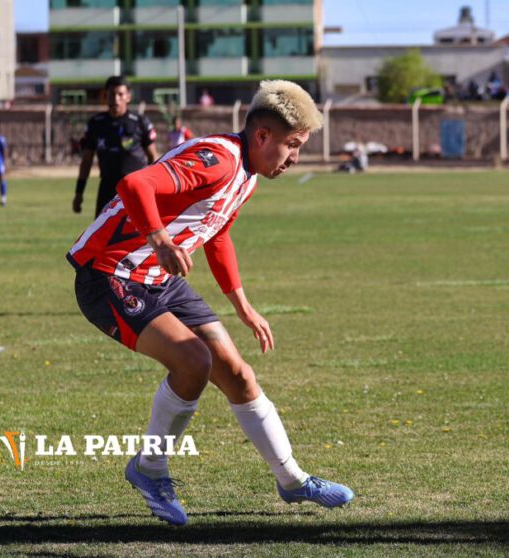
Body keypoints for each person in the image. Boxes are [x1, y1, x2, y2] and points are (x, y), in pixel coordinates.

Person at [66, 79, 354, 526]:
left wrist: (242, 306)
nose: (295, 158)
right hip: (110, 274)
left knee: (239, 374)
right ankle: (149, 468)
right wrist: (160, 240)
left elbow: (217, 235)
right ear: (263, 136)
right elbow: (134, 183)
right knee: (193, 361)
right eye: (293, 145)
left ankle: (293, 480)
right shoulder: (218, 159)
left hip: (158, 276)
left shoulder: (247, 176)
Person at [73, 75, 159, 218]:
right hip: (107, 189)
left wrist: (155, 190)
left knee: (140, 231)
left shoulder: (140, 123)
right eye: (111, 94)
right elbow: (87, 160)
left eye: (120, 94)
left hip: (135, 189)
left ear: (128, 97)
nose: (115, 99)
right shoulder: (96, 123)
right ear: (105, 96)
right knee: (102, 231)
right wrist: (79, 193)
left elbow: (154, 158)